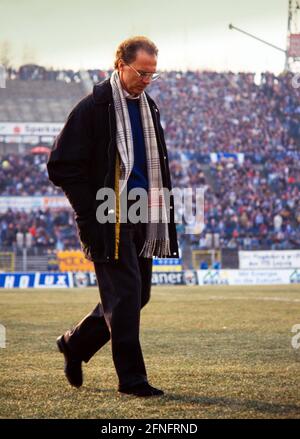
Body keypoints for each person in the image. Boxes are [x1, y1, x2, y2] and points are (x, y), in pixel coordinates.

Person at [47, 36, 179, 397]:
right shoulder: (92, 107)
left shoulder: (147, 107)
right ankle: (132, 381)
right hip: (108, 218)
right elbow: (60, 166)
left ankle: (74, 345)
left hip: (143, 215)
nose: (147, 80)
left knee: (137, 296)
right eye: (141, 72)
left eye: (153, 74)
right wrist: (91, 210)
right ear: (121, 65)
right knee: (124, 299)